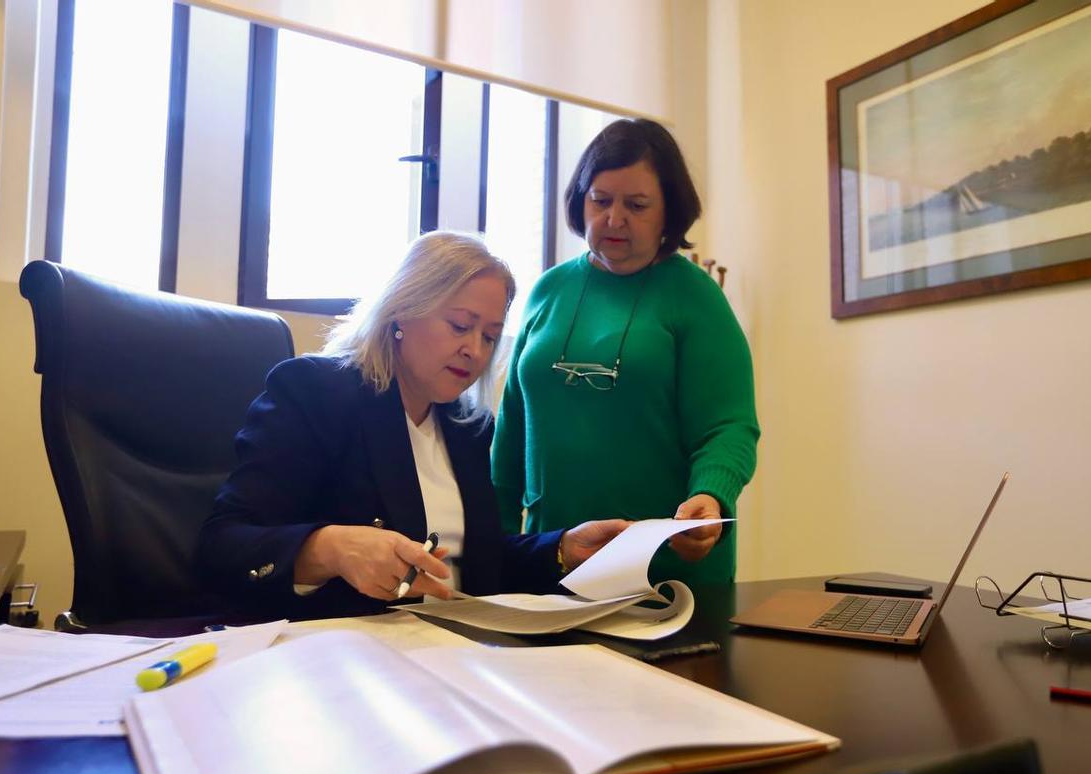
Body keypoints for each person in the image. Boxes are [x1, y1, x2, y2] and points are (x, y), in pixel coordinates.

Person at [198, 231, 627, 619]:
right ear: (402, 310)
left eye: (491, 336)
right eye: (460, 326)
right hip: (349, 659)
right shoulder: (316, 392)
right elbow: (223, 548)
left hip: (461, 650)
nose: (474, 350)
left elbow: (474, 564)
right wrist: (327, 548)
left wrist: (561, 550)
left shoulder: (468, 428)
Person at [491, 119, 759, 588]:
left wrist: (711, 496)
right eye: (601, 200)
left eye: (636, 205)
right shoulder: (547, 291)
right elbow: (512, 432)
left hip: (666, 575)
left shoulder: (694, 296)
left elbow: (729, 426)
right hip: (551, 563)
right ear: (581, 200)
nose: (615, 219)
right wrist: (489, 549)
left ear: (668, 213)